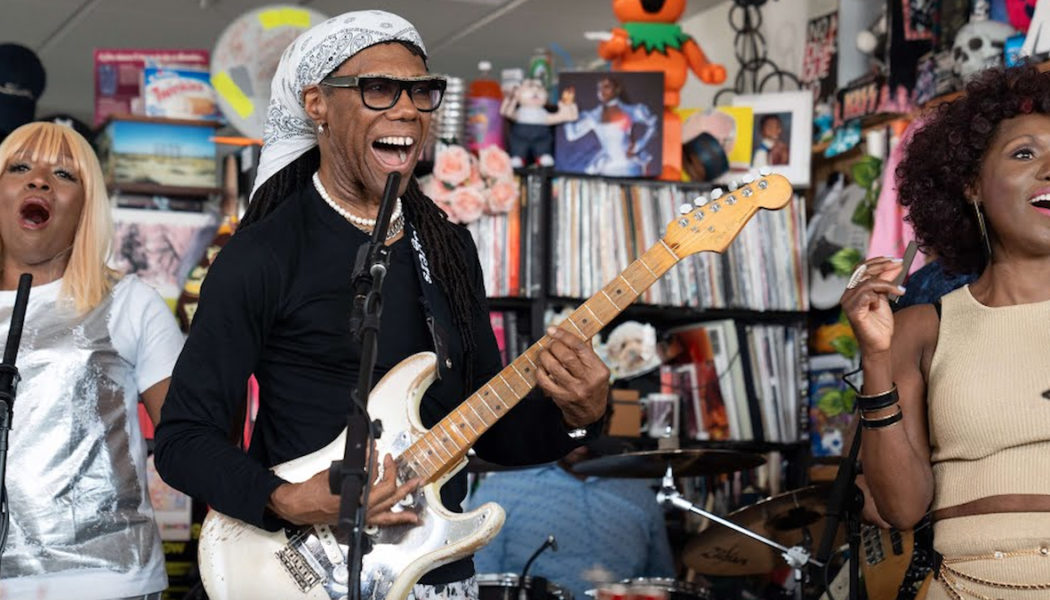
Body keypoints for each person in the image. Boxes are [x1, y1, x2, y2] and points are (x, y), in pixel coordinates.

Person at [153, 9, 611, 600]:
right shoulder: (263, 253)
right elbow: (183, 440)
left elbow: (488, 431)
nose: (407, 109)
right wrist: (288, 499)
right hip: (294, 572)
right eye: (378, 89)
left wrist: (579, 416)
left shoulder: (446, 246)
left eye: (422, 92)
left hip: (432, 575)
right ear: (316, 104)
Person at [841, 63, 1050, 599]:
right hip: (966, 587)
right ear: (971, 185)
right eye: (1025, 153)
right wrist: (875, 358)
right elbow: (902, 507)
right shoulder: (922, 328)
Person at [0, 122, 183, 599]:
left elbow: (193, 438)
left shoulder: (128, 302)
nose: (39, 180)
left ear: (86, 205)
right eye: (19, 167)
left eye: (65, 174)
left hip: (104, 578)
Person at [468, 439, 675, 599]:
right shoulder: (500, 492)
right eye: (569, 417)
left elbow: (661, 584)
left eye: (590, 420)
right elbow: (482, 584)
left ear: (608, 420)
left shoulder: (642, 498)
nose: (580, 439)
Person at [562, 76, 659, 177]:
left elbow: (653, 124)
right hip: (607, 167)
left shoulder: (633, 111)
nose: (602, 91)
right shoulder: (593, 116)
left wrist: (640, 144)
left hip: (630, 167)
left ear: (617, 89)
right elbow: (571, 135)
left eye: (606, 87)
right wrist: (567, 107)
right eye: (599, 88)